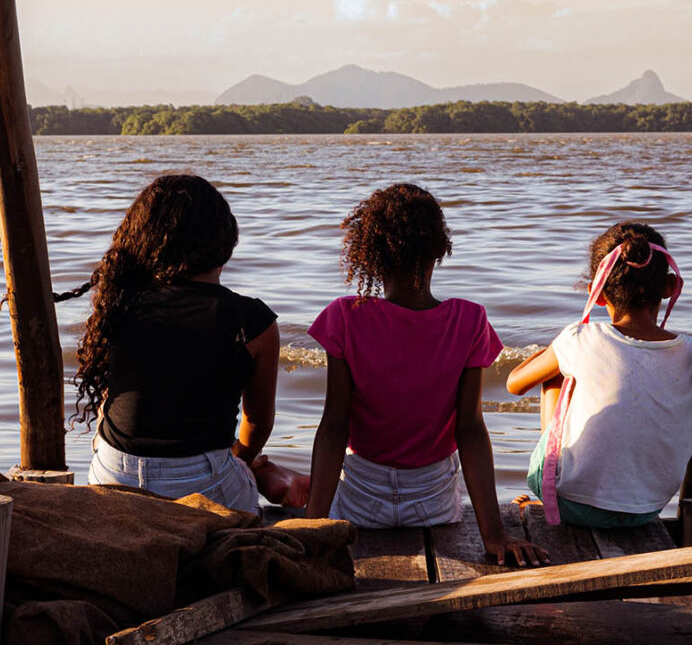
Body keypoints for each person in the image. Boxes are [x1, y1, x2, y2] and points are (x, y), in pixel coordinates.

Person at [306, 182, 546, 566]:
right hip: (432, 503)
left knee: (307, 486)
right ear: (439, 249)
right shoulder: (470, 320)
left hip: (362, 502)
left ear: (371, 258)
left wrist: (313, 528)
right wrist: (494, 534)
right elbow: (468, 430)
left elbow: (335, 427)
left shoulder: (344, 316)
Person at [73, 172, 309, 509]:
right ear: (225, 241)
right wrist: (242, 458)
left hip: (112, 480)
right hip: (202, 487)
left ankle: (253, 470)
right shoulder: (252, 321)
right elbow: (257, 423)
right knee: (230, 458)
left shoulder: (120, 305)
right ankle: (259, 472)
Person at [506, 220, 692, 528]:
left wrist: (557, 349)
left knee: (555, 376)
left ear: (595, 294)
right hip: (645, 510)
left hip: (571, 505)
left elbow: (514, 383)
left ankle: (550, 489)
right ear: (668, 287)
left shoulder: (579, 337)